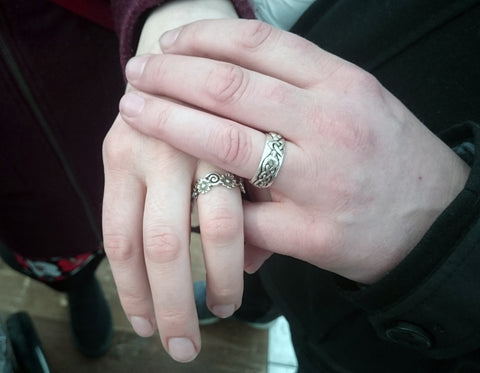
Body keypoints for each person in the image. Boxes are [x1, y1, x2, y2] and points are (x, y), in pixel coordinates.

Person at [104, 0, 480, 371]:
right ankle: (251, 306)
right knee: (241, 250)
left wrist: (456, 251)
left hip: (387, 315)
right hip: (266, 193)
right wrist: (177, 13)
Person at [0, 0, 252, 359]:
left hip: (107, 87)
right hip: (23, 197)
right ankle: (78, 288)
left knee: (130, 234)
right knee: (62, 262)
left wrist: (172, 12)